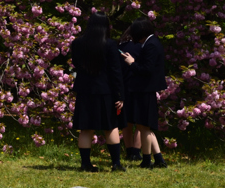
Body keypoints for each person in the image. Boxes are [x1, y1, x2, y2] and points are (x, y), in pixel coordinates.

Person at [70, 12, 126, 172]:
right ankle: (116, 163)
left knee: (86, 128)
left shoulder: (77, 43)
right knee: (111, 127)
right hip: (105, 91)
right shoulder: (109, 44)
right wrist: (119, 95)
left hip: (84, 90)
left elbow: (76, 64)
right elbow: (115, 71)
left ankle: (85, 163)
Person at [119, 16, 168, 168]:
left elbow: (146, 69)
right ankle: (158, 158)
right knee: (144, 126)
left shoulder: (150, 45)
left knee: (144, 126)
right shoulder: (152, 43)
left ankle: (147, 160)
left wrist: (132, 63)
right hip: (147, 90)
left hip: (145, 90)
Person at [119, 32, 144, 161]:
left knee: (126, 121)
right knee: (140, 121)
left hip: (124, 86)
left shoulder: (120, 47)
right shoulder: (143, 46)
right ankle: (136, 150)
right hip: (140, 86)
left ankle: (129, 151)